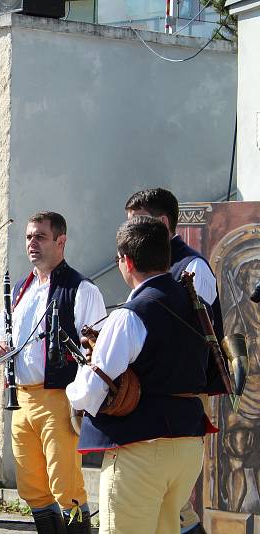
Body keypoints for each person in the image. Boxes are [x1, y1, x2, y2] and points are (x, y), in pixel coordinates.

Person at [66, 216, 219, 534]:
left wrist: (73, 388)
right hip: (188, 446)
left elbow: (91, 392)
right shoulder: (194, 304)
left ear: (127, 261)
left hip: (141, 450)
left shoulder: (130, 315)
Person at [0, 212, 105, 534]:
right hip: (21, 399)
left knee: (66, 486)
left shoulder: (82, 289)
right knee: (33, 488)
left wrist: (81, 403)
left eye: (40, 237)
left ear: (60, 241)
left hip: (59, 398)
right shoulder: (21, 289)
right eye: (28, 237)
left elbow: (95, 352)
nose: (32, 244)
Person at [124, 187, 226, 534]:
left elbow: (192, 333)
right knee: (168, 504)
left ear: (163, 222)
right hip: (153, 395)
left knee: (177, 503)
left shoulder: (192, 265)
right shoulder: (150, 266)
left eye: (137, 222)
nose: (130, 230)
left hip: (182, 391)